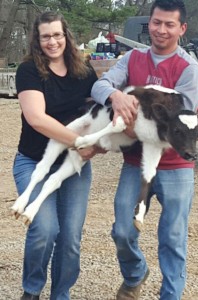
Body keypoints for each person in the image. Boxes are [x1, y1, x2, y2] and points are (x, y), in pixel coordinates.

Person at [91, 0, 198, 299]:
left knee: (172, 237)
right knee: (123, 231)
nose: (161, 30)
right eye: (156, 22)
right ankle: (136, 273)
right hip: (136, 163)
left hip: (176, 168)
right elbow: (99, 85)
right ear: (149, 23)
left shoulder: (188, 70)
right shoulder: (131, 60)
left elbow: (181, 128)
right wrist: (115, 96)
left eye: (169, 24)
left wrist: (126, 128)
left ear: (182, 28)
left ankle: (171, 295)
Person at [14, 11, 98, 300]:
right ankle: (32, 290)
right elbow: (37, 118)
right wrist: (79, 141)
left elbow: (99, 112)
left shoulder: (85, 72)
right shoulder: (29, 71)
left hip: (73, 167)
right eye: (46, 36)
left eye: (57, 35)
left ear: (67, 36)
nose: (53, 41)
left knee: (70, 238)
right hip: (34, 161)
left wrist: (98, 143)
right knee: (45, 229)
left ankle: (60, 294)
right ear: (37, 40)